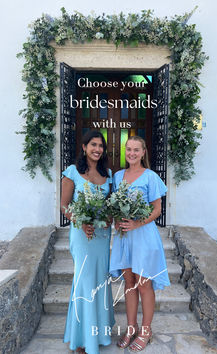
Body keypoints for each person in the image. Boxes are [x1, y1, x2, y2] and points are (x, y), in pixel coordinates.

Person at [109, 135, 170, 352]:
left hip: (143, 236)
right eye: (129, 149)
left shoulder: (151, 177)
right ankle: (131, 327)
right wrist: (118, 221)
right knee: (129, 283)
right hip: (125, 237)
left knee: (144, 284)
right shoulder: (117, 176)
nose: (132, 153)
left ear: (144, 152)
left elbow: (157, 209)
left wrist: (137, 223)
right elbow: (115, 205)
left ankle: (146, 330)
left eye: (136, 150)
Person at [61, 130, 115, 354]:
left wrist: (108, 218)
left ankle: (99, 335)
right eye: (93, 144)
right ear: (84, 147)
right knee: (84, 282)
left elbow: (110, 208)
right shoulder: (72, 172)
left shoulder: (109, 174)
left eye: (100, 146)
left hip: (101, 236)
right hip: (82, 235)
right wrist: (81, 222)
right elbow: (64, 207)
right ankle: (82, 340)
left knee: (100, 281)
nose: (97, 149)